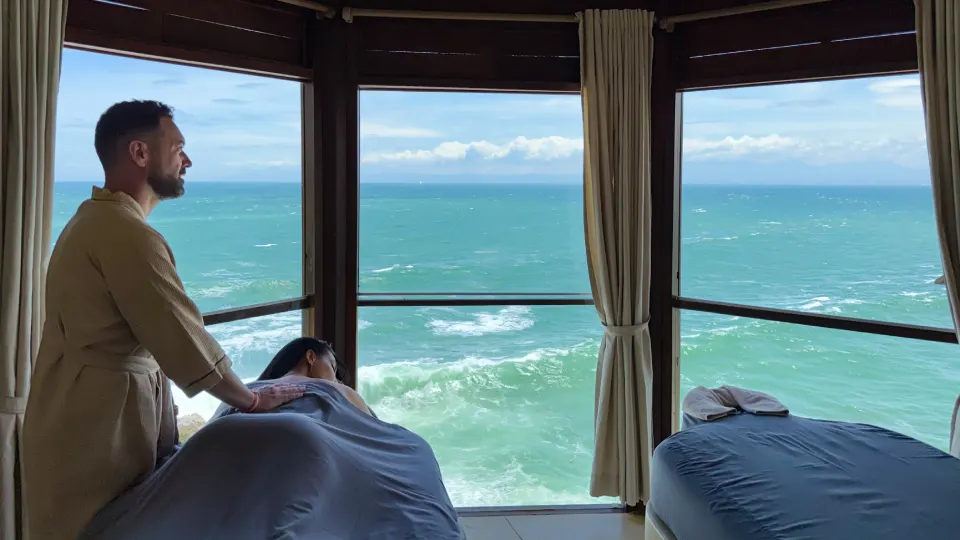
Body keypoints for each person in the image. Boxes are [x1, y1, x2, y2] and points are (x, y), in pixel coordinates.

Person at [22, 100, 305, 540]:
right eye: (177, 148)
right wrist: (251, 400)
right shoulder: (127, 235)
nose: (186, 160)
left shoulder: (91, 220)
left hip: (73, 412)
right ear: (140, 153)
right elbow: (182, 336)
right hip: (96, 431)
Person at [256, 337, 373, 416]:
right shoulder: (338, 391)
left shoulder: (251, 392)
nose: (337, 382)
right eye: (333, 367)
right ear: (311, 357)